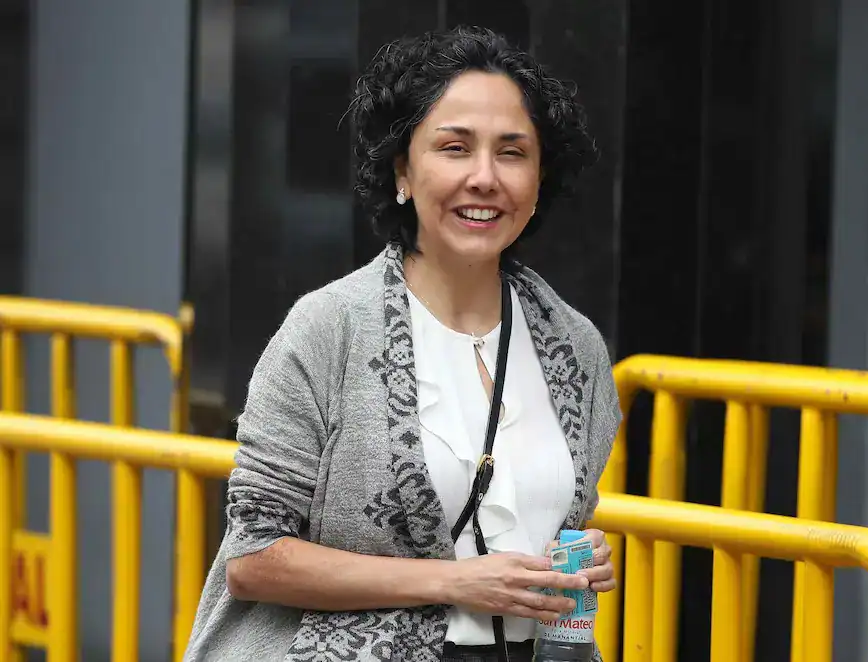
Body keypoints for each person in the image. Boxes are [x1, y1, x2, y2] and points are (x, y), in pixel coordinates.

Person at [183, 25, 622, 662]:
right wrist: (455, 583)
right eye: (453, 147)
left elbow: (556, 516)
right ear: (402, 172)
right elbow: (253, 558)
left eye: (512, 152)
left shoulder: (574, 345)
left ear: (538, 177)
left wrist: (573, 560)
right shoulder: (327, 328)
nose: (484, 177)